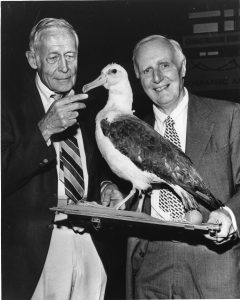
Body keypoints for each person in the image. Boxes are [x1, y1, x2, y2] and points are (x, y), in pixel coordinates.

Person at [2, 18, 123, 300]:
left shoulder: (92, 104)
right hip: (36, 250)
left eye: (70, 56)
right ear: (33, 59)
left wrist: (106, 186)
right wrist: (44, 129)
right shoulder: (7, 104)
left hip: (90, 244)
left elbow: (98, 165)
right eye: (54, 57)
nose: (65, 67)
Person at [126, 35, 240, 299]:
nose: (157, 77)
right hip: (150, 268)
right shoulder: (131, 133)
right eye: (146, 70)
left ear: (183, 67)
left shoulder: (229, 116)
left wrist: (231, 216)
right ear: (138, 78)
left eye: (164, 65)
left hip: (213, 269)